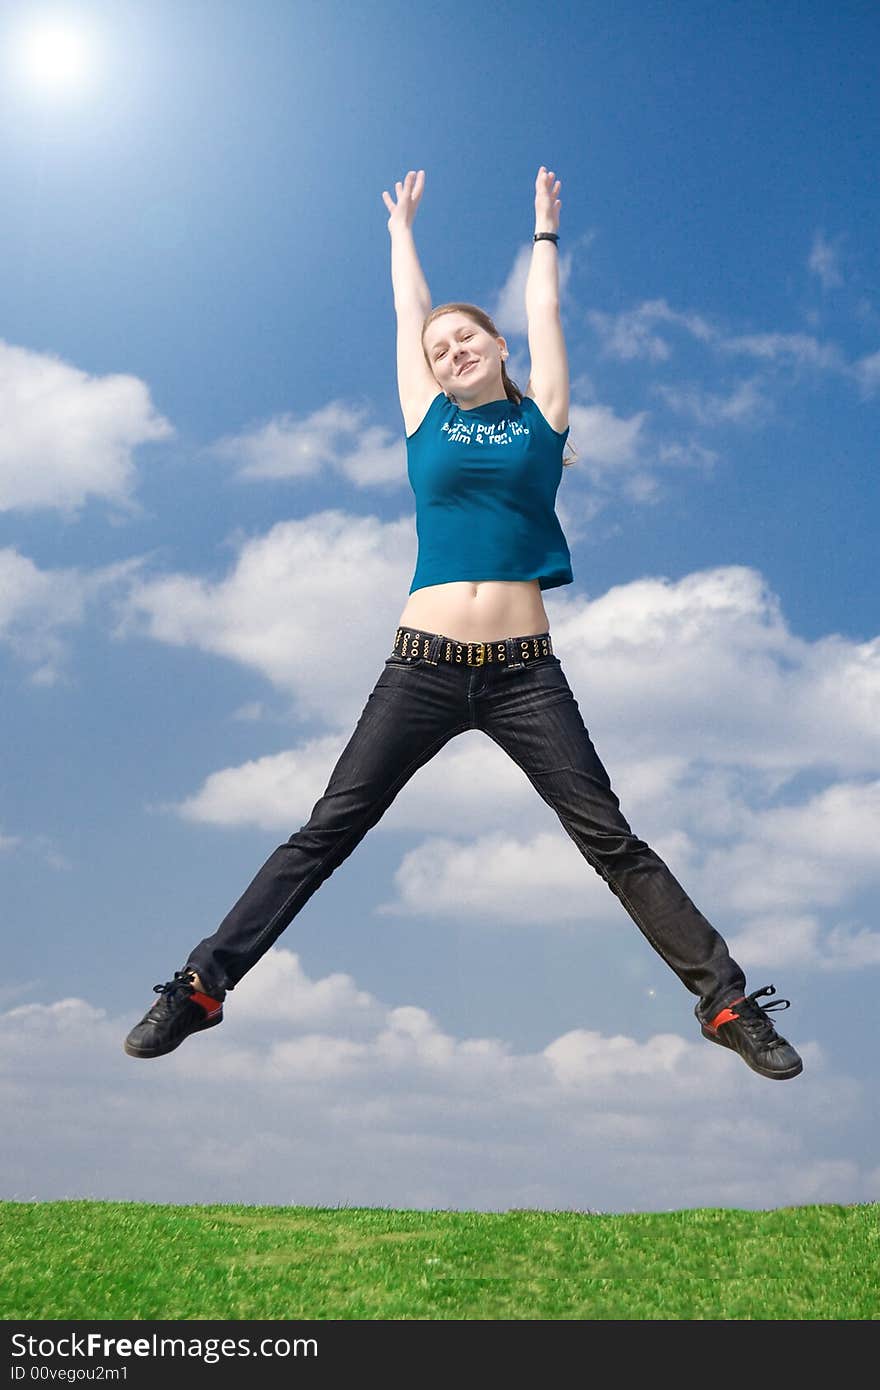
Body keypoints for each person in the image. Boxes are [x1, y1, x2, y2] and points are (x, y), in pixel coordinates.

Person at [124, 167, 802, 1082]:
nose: (449, 353)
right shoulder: (424, 418)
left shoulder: (543, 420)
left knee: (610, 838)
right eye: (440, 348)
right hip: (422, 665)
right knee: (327, 830)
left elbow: (548, 309)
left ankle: (726, 1004)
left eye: (465, 338)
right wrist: (402, 231)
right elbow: (407, 312)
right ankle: (199, 990)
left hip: (526, 672)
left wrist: (546, 233)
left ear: (497, 345)